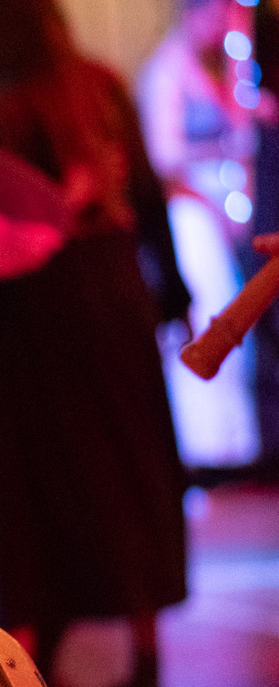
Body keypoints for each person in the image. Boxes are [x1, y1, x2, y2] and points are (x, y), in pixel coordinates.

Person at [0, 0, 189, 687]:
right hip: (117, 294)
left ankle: (32, 671)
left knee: (39, 482)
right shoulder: (104, 90)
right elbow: (147, 198)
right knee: (131, 477)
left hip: (36, 307)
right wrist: (172, 293)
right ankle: (145, 666)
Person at [138, 0, 265, 469]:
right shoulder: (166, 73)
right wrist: (217, 166)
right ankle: (204, 447)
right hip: (190, 218)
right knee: (208, 321)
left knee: (233, 323)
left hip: (220, 221)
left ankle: (232, 446)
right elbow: (162, 157)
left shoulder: (220, 68)